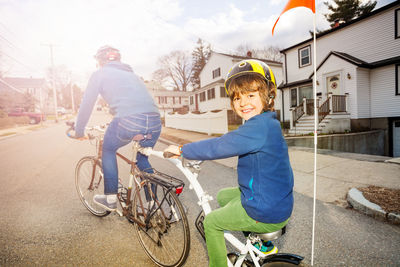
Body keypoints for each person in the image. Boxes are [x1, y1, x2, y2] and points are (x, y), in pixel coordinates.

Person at [164, 59, 294, 267]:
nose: (243, 102)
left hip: (265, 210)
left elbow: (220, 146)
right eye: (237, 98)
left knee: (212, 222)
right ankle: (260, 243)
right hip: (276, 200)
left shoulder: (257, 128)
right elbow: (232, 144)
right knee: (224, 195)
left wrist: (182, 150)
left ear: (268, 96)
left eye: (250, 95)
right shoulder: (268, 122)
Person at [74, 45, 161, 211]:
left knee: (108, 148)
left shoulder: (99, 74)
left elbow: (87, 104)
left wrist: (79, 131)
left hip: (129, 120)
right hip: (155, 121)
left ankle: (110, 198)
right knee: (143, 158)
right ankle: (152, 203)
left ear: (100, 61)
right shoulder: (132, 75)